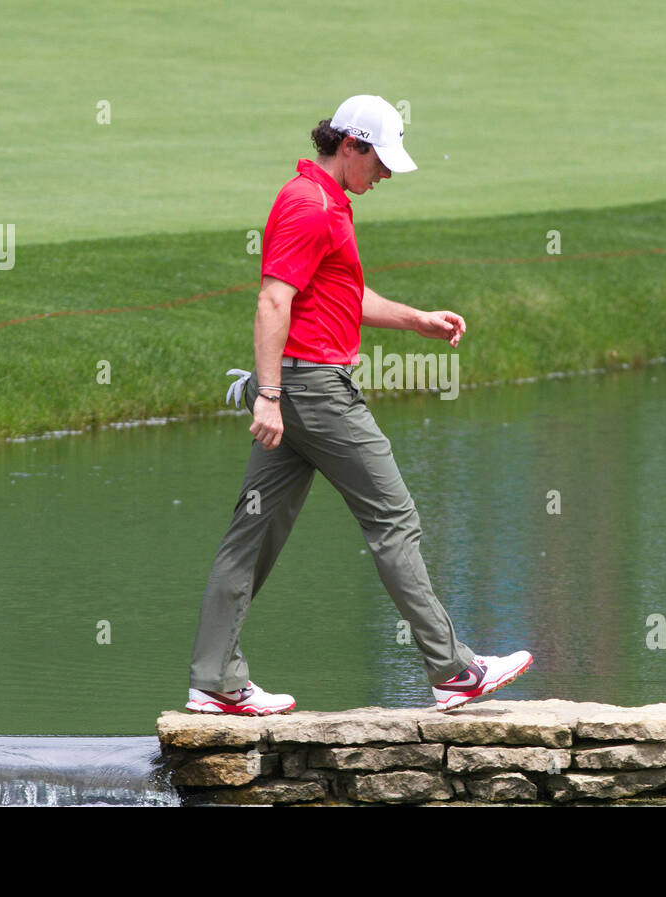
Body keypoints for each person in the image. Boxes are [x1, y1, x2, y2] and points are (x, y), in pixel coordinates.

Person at [185, 95, 532, 715]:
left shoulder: (318, 199)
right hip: (315, 393)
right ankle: (456, 672)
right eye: (381, 161)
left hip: (296, 393)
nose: (388, 174)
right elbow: (273, 301)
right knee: (394, 521)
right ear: (351, 145)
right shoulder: (313, 208)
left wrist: (416, 320)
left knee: (251, 536)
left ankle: (215, 680)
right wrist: (268, 397)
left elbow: (343, 294)